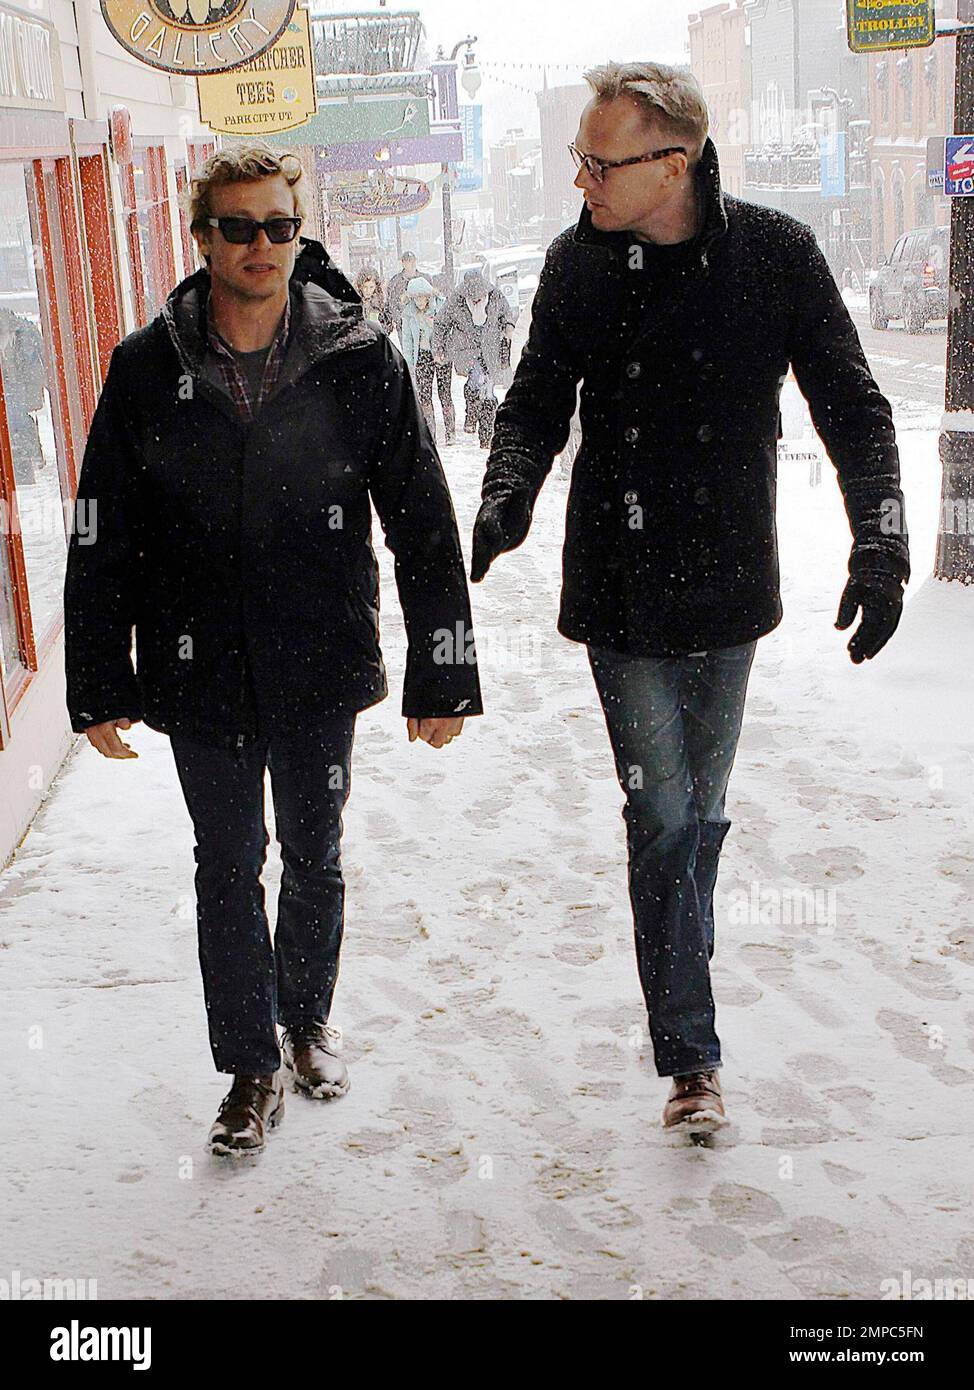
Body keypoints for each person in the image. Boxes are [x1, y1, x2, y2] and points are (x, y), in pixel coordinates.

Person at [470, 62, 910, 1131]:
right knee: (657, 810)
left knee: (698, 812)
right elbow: (532, 398)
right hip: (617, 596)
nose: (578, 179)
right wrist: (504, 495)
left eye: (597, 161)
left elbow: (850, 405)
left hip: (726, 588)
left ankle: (679, 979)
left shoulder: (773, 255)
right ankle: (691, 1060)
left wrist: (880, 546)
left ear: (673, 162)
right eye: (577, 156)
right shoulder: (576, 265)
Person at [63, 144, 482, 1159]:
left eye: (278, 227)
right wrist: (96, 683)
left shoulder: (358, 358)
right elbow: (98, 530)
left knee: (313, 848)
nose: (261, 245)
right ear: (202, 236)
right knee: (224, 862)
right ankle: (248, 1067)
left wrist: (443, 673)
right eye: (239, 226)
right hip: (195, 664)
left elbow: (422, 522)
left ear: (298, 234)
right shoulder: (144, 367)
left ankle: (305, 1021)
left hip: (318, 656)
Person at [433, 270, 516, 449]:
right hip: (466, 349)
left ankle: (486, 435)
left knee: (488, 392)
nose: (477, 300)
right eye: (474, 297)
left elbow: (507, 312)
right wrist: (438, 348)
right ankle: (471, 412)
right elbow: (441, 323)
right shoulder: (456, 299)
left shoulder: (494, 295)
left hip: (490, 348)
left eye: (479, 297)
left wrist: (509, 325)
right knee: (477, 382)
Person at [399, 274, 456, 444]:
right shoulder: (408, 313)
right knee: (424, 394)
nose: (419, 301)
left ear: (428, 295)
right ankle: (430, 432)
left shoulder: (441, 307)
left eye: (422, 297)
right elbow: (407, 341)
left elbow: (450, 332)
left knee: (444, 392)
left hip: (441, 353)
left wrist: (435, 325)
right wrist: (409, 364)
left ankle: (450, 431)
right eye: (415, 297)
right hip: (422, 355)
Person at [385, 249, 420, 340]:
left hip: (421, 324)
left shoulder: (422, 278)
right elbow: (391, 302)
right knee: (407, 351)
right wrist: (400, 319)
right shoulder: (395, 282)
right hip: (403, 325)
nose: (411, 264)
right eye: (408, 261)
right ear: (403, 263)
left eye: (412, 261)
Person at [354, 264, 391, 331]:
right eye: (365, 287)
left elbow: (387, 324)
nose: (368, 291)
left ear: (376, 287)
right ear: (360, 286)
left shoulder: (379, 303)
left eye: (371, 287)